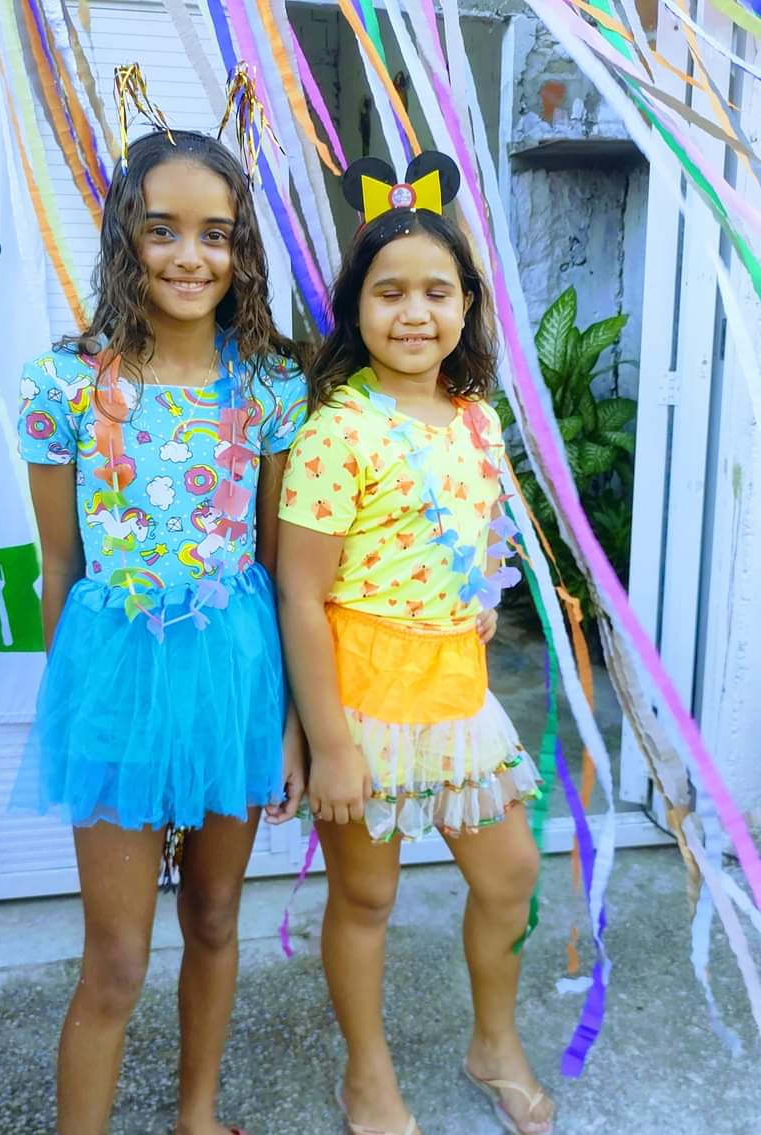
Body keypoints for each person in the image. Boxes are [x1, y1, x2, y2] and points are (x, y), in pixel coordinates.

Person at [12, 69, 307, 1135]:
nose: (191, 256)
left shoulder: (270, 387)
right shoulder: (64, 385)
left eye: (216, 234)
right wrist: (75, 709)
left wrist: (290, 725)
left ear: (242, 251)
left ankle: (196, 1116)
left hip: (236, 677)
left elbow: (279, 563)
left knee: (216, 915)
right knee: (117, 957)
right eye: (163, 230)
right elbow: (59, 567)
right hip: (116, 680)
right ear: (124, 239)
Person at [277, 154, 553, 1135]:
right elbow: (300, 593)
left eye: (438, 291)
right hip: (363, 703)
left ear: (468, 304)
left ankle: (495, 1044)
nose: (414, 313)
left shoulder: (477, 420)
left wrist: (471, 598)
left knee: (511, 874)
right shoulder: (336, 432)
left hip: (458, 696)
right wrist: (329, 743)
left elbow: (472, 535)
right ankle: (368, 1074)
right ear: (355, 308)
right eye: (389, 292)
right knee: (366, 897)